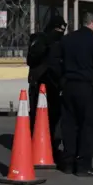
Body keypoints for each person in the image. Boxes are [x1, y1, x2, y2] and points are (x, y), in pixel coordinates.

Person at [56, 12, 93, 177]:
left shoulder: (67, 39)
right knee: (89, 127)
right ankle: (83, 165)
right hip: (85, 88)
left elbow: (58, 62)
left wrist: (62, 83)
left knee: (69, 126)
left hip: (68, 88)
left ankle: (68, 163)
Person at [27, 15, 67, 154]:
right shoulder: (45, 41)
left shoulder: (44, 40)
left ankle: (44, 145)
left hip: (46, 84)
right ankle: (44, 146)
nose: (60, 32)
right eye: (59, 29)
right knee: (45, 116)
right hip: (44, 84)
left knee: (46, 116)